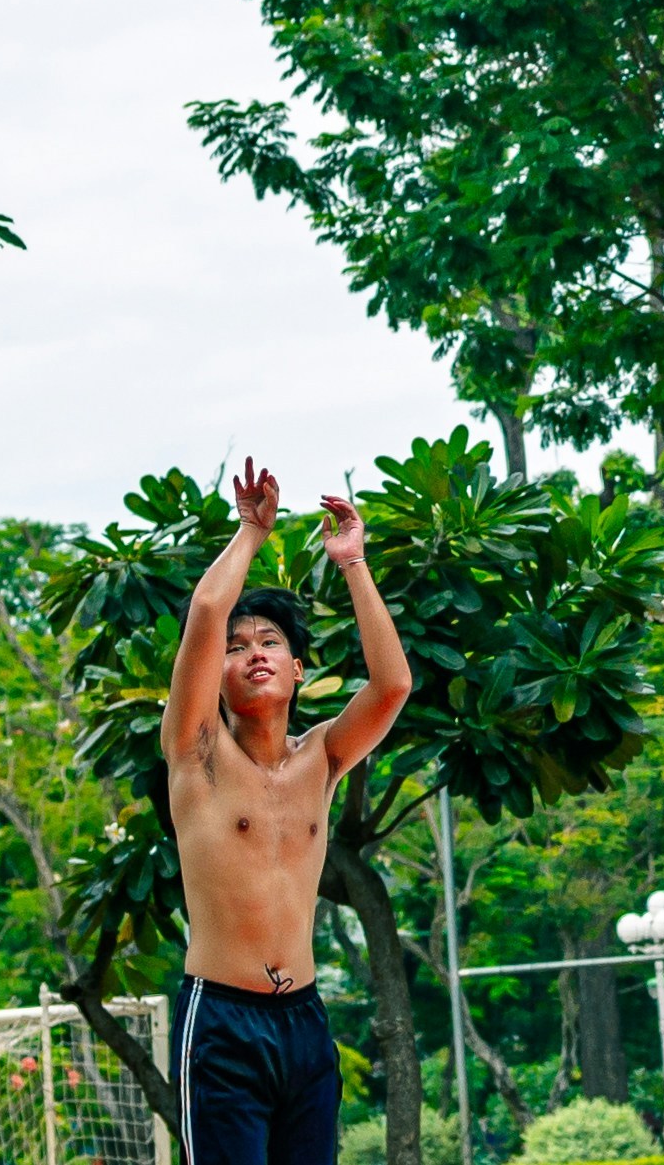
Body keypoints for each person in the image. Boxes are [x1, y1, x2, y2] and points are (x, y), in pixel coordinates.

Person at [161, 458, 414, 1165]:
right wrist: (249, 530)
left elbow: (392, 684)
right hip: (221, 1023)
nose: (254, 653)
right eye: (238, 649)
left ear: (298, 667)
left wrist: (353, 562)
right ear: (218, 672)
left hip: (303, 1021)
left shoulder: (321, 758)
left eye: (270, 641)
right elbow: (209, 612)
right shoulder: (197, 754)